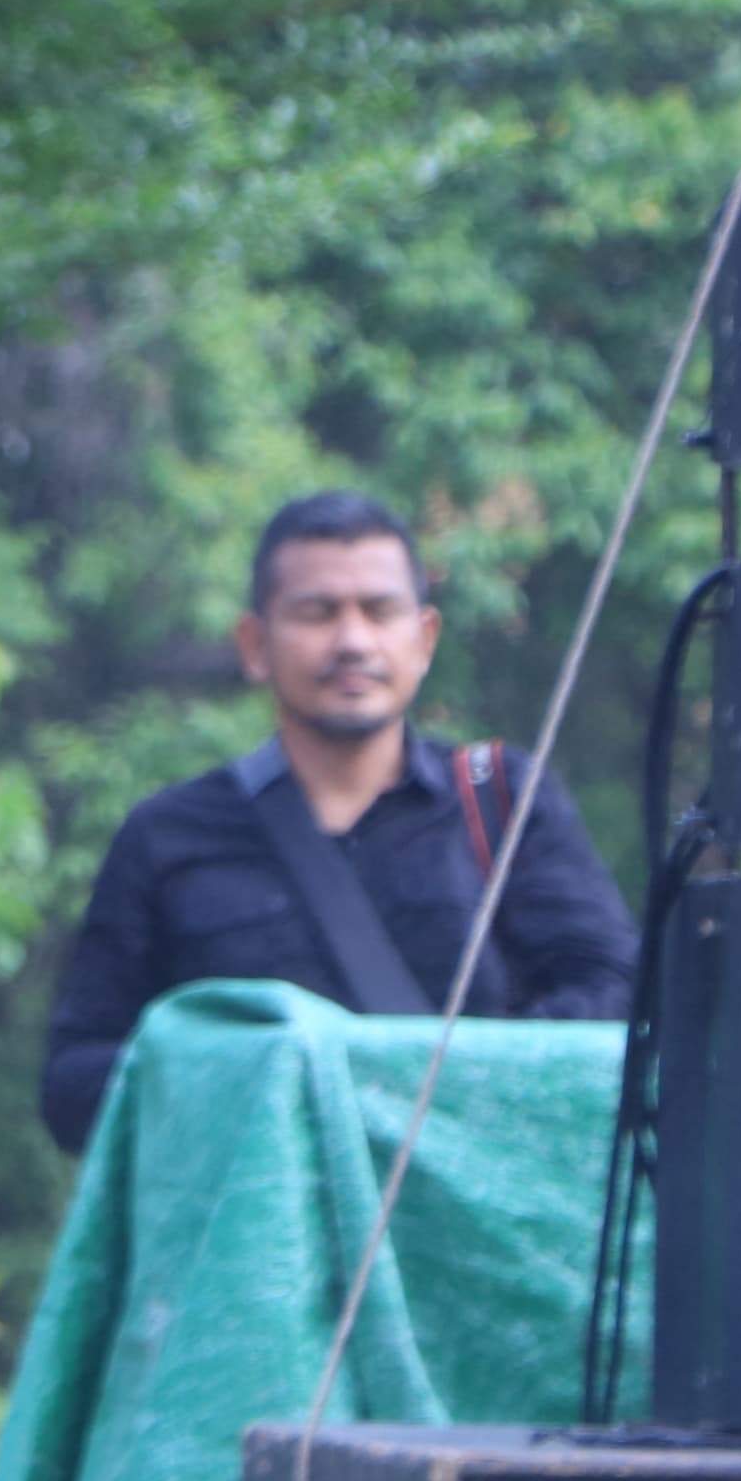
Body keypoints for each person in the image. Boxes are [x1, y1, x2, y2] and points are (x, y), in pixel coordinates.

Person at [40, 489, 638, 1152]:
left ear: (425, 639)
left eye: (380, 611)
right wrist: (250, 1078)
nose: (353, 641)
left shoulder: (502, 800)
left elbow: (615, 996)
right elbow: (73, 1085)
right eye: (317, 613)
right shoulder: (165, 837)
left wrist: (459, 1089)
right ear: (255, 645)